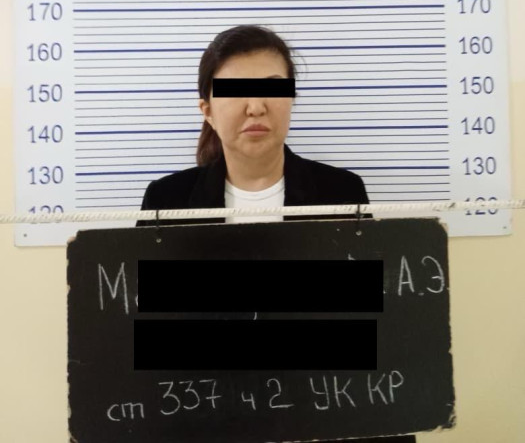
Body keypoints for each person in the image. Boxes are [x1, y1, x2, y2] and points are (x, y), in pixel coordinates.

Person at [137, 24, 416, 443]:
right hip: (206, 421)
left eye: (272, 88)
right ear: (207, 109)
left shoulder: (341, 192)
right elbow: (147, 335)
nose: (256, 107)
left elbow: (372, 327)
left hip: (320, 417)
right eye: (234, 91)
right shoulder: (168, 200)